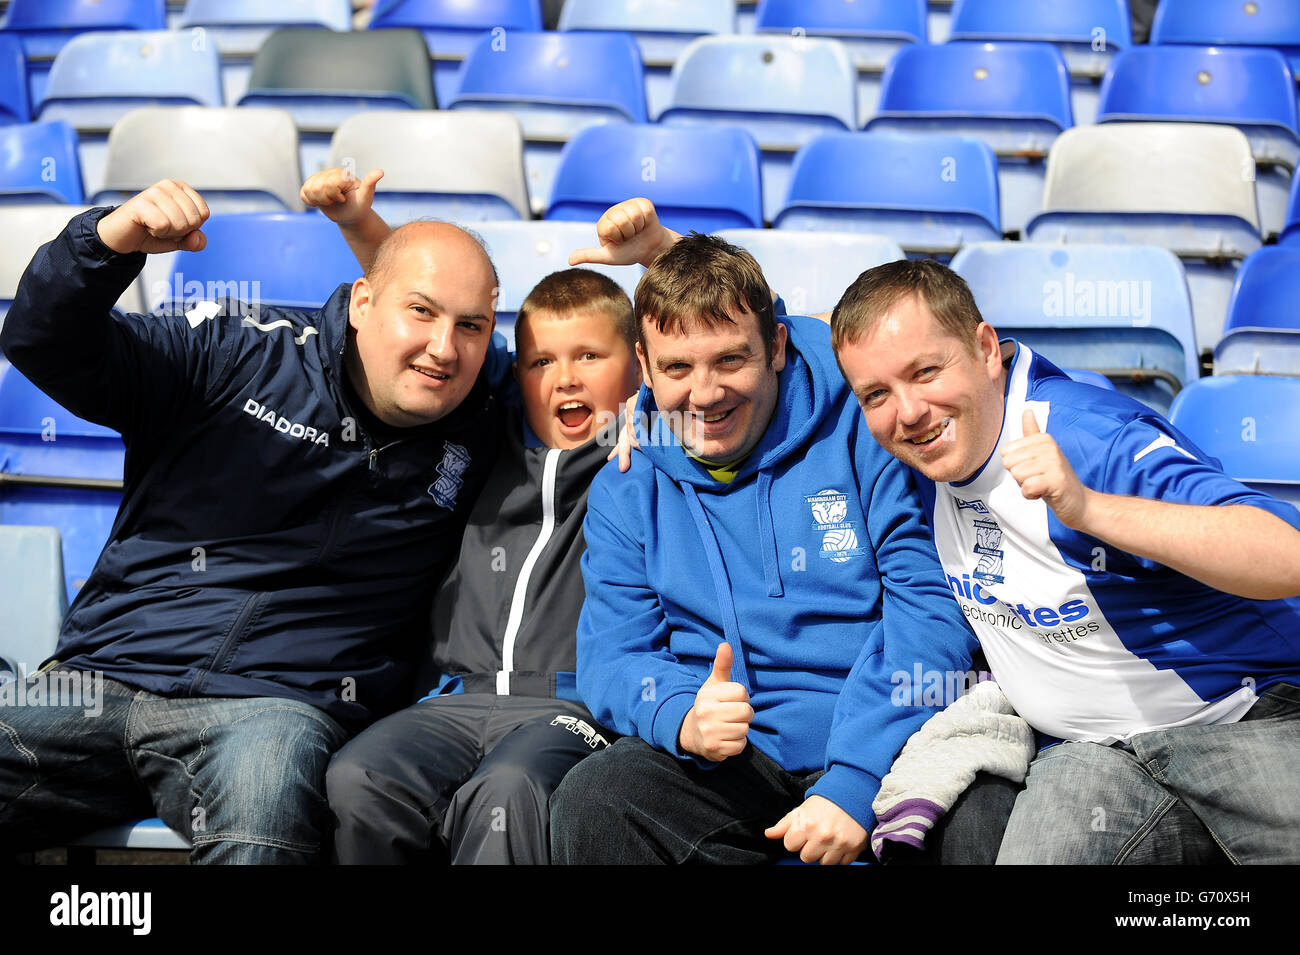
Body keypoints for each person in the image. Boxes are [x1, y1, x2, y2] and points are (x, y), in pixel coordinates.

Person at [0, 179, 510, 863]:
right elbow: (42, 339)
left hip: (273, 708)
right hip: (101, 677)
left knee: (266, 821)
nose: (445, 348)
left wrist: (655, 258)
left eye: (471, 325)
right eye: (420, 312)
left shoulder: (488, 411)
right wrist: (108, 240)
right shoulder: (240, 350)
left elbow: (606, 375)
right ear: (363, 302)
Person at [547, 213, 989, 865]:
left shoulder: (865, 425)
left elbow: (929, 611)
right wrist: (680, 712)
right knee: (596, 800)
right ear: (643, 365)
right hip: (731, 756)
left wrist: (855, 781)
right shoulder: (627, 480)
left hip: (887, 737)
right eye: (678, 367)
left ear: (777, 346)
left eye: (732, 359)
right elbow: (612, 655)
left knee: (987, 816)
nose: (706, 392)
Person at [830, 257, 1300, 863]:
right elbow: (761, 347)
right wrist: (666, 252)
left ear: (985, 348)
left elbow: (1285, 552)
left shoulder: (1088, 438)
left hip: (1249, 720)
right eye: (876, 394)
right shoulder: (915, 454)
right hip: (1093, 761)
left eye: (926, 371)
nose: (909, 411)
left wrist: (1088, 509)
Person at [323, 266, 642, 864]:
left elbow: (769, 351)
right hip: (451, 700)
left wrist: (658, 254)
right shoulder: (478, 442)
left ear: (640, 364)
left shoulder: (651, 456)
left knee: (508, 791)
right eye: (541, 362)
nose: (565, 378)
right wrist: (358, 224)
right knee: (357, 777)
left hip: (572, 707)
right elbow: (425, 322)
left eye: (590, 356)